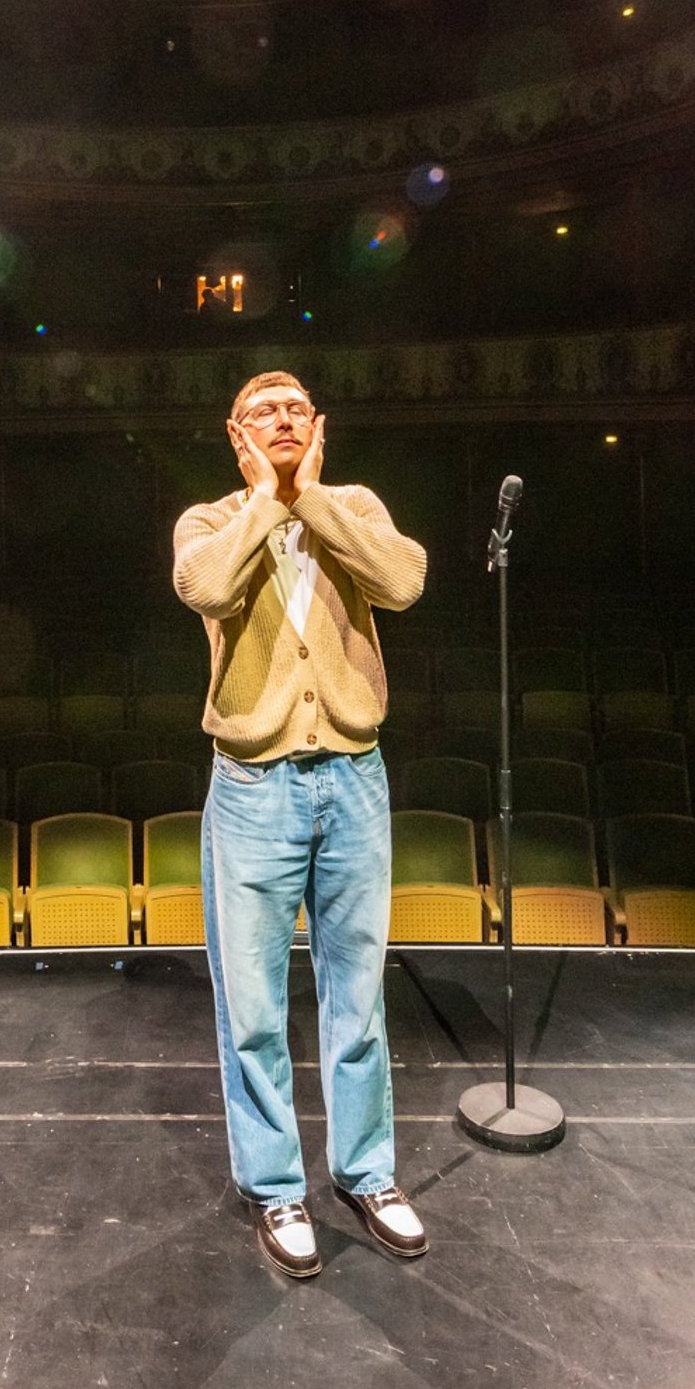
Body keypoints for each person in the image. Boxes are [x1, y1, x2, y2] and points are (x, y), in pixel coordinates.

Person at [172, 369, 429, 1279]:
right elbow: (203, 589)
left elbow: (403, 581)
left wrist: (310, 497)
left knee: (357, 996)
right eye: (261, 413)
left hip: (354, 779)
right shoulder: (207, 521)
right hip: (253, 790)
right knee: (253, 1006)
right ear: (233, 433)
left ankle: (367, 1173)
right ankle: (277, 1189)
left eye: (294, 409)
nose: (281, 419)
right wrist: (264, 501)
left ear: (318, 424)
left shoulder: (350, 503)